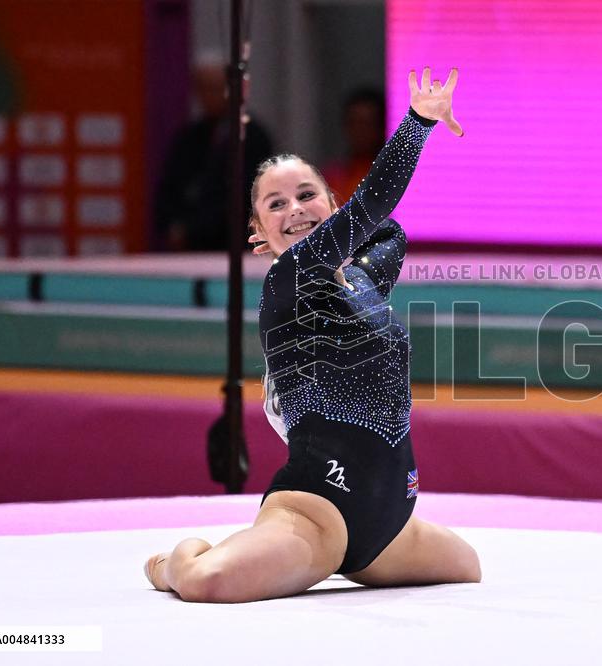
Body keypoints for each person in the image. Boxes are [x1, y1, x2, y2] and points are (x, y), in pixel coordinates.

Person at [144, 67, 480, 602]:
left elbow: (388, 229)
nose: (295, 209)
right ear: (258, 233)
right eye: (275, 205)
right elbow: (377, 206)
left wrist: (347, 220)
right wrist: (418, 124)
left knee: (469, 568)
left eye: (307, 195)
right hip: (316, 508)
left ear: (332, 202)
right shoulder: (289, 278)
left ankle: (345, 552)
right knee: (206, 582)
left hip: (390, 519)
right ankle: (170, 562)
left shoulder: (365, 278)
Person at [153, 53, 275, 252]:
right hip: (190, 247)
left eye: (216, 88)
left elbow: (244, 194)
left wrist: (196, 229)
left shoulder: (253, 137)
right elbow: (169, 187)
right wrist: (173, 227)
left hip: (234, 245)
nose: (209, 95)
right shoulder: (189, 136)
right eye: (203, 88)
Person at [322, 88, 386, 203]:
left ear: (381, 127)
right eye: (354, 123)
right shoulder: (331, 178)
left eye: (366, 124)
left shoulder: (395, 176)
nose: (360, 131)